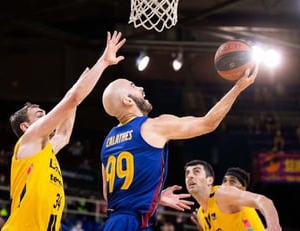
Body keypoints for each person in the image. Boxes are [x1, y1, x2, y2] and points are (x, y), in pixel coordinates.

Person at [100, 64, 258, 230]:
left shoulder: (108, 140)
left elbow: (108, 194)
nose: (140, 87)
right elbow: (208, 123)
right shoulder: (153, 126)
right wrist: (238, 88)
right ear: (128, 101)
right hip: (131, 223)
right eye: (133, 86)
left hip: (115, 222)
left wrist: (154, 197)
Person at [1, 30, 126, 231]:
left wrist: (76, 91)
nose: (47, 116)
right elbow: (72, 99)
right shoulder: (28, 141)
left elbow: (64, 134)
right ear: (26, 126)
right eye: (39, 114)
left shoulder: (44, 151)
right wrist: (102, 62)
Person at [184, 160, 281, 231]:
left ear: (209, 180)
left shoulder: (222, 194)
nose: (189, 176)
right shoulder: (201, 213)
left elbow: (263, 201)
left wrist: (273, 225)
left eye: (196, 171)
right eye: (187, 173)